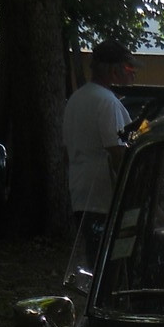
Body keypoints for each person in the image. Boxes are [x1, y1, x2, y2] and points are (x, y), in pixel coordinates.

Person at [62, 39, 137, 259]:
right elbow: (117, 154)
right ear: (114, 71)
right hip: (104, 201)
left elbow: (67, 152)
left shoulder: (76, 99)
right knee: (112, 261)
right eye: (129, 68)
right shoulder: (107, 102)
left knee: (95, 258)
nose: (133, 74)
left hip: (81, 197)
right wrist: (135, 196)